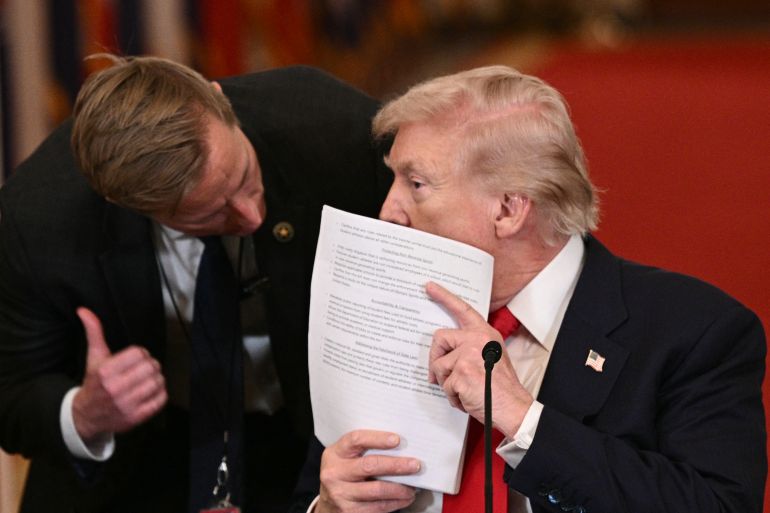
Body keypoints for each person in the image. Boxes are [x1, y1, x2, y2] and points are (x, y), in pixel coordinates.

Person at [295, 65, 767, 513]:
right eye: (392, 179)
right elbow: (315, 488)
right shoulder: (382, 305)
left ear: (508, 210)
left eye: (416, 184)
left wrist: (522, 419)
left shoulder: (694, 331)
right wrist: (328, 504)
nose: (388, 212)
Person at [0, 54, 391, 513]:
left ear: (219, 101)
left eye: (245, 175)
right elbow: (12, 394)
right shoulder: (37, 221)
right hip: (142, 459)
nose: (250, 215)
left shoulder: (335, 130)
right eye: (209, 216)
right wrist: (85, 413)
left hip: (320, 440)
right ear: (128, 203)